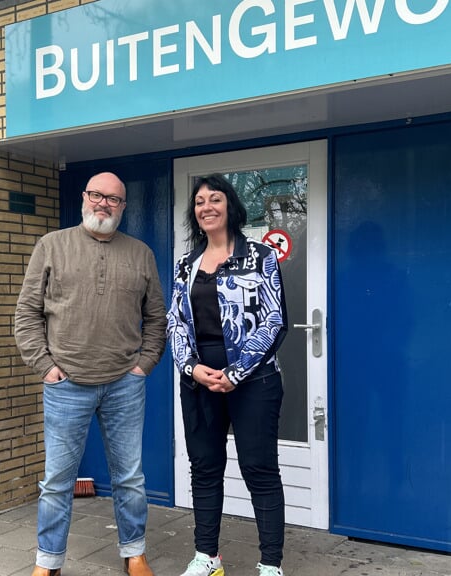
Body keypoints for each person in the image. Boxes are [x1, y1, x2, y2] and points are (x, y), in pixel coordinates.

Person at [14, 171, 167, 576]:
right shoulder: (51, 246)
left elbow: (156, 319)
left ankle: (134, 553)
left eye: (113, 199)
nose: (103, 204)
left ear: (123, 207)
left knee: (130, 477)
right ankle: (48, 563)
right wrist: (46, 367)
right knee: (57, 481)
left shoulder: (141, 254)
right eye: (97, 195)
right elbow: (26, 313)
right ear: (84, 197)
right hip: (66, 384)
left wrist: (142, 366)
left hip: (124, 384)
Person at [167, 174, 289, 576]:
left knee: (259, 468)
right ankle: (208, 557)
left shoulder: (260, 256)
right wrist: (191, 367)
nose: (206, 207)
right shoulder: (186, 265)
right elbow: (175, 323)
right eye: (199, 202)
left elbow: (274, 321)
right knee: (204, 467)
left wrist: (235, 372)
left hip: (253, 381)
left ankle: (270, 564)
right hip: (199, 381)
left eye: (214, 199)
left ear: (230, 207)